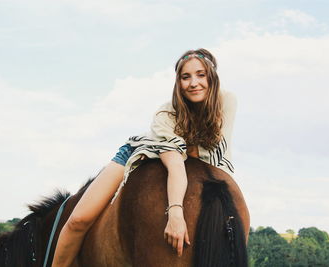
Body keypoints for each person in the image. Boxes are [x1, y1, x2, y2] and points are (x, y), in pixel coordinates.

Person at [52, 48, 250, 267]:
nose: (194, 83)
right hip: (140, 154)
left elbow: (215, 155)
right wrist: (175, 213)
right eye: (186, 77)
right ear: (178, 83)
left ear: (212, 77)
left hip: (191, 165)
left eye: (201, 74)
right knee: (78, 220)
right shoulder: (165, 116)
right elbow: (176, 166)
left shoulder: (227, 102)